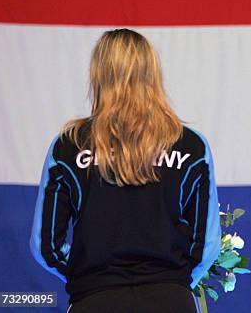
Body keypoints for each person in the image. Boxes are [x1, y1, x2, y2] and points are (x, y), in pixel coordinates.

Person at [29, 29, 221, 312]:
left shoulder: (68, 147)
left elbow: (45, 247)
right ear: (153, 74)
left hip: (95, 300)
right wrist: (173, 280)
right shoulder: (192, 146)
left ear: (98, 75)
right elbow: (206, 245)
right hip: (171, 300)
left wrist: (90, 276)